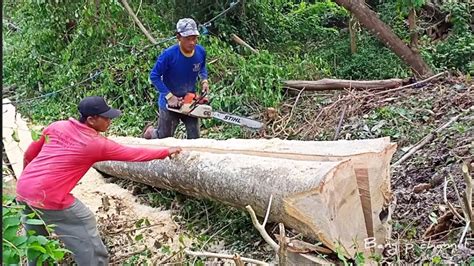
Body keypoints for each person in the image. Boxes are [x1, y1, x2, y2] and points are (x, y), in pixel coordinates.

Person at [16, 96, 182, 265]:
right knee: (84, 221)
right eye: (106, 117)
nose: (109, 121)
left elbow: (30, 154)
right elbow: (133, 154)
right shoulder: (95, 144)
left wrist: (26, 182)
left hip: (23, 190)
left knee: (36, 240)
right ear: (91, 119)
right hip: (49, 196)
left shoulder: (56, 126)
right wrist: (165, 151)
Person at [144, 18, 209, 140]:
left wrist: (204, 80)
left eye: (194, 38)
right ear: (179, 37)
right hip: (170, 101)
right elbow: (154, 76)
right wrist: (169, 96)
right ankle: (150, 132)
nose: (192, 42)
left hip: (190, 100)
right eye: (188, 39)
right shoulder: (169, 55)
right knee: (164, 137)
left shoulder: (200, 52)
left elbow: (202, 67)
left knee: (195, 137)